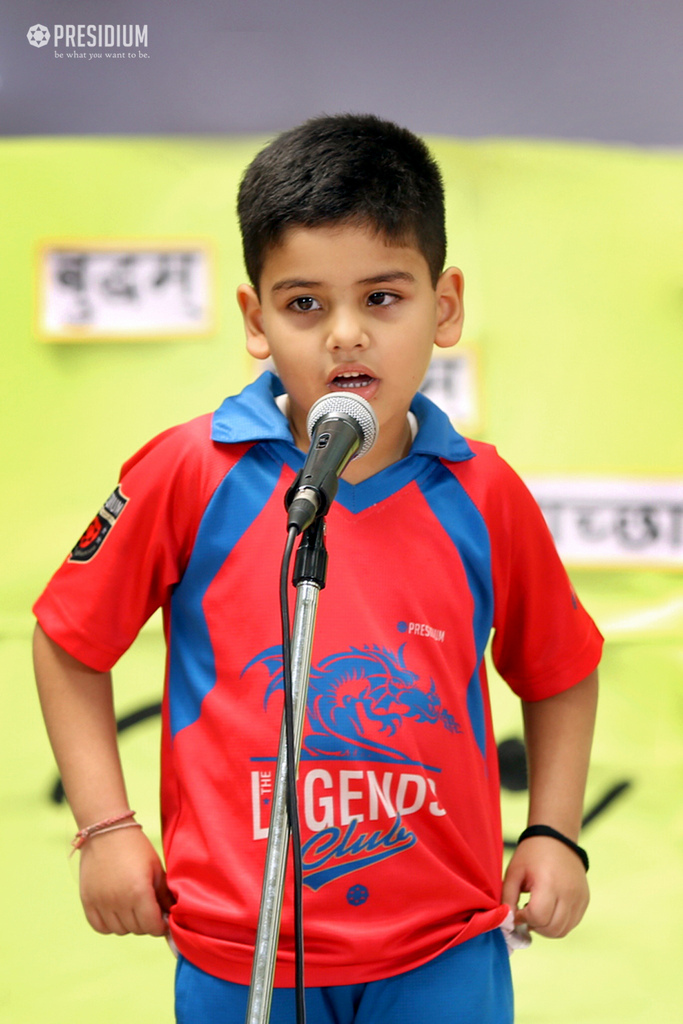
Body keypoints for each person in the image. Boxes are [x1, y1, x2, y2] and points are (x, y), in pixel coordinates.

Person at [33, 114, 602, 1024]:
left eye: (382, 298)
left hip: (441, 948)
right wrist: (105, 828)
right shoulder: (189, 473)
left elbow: (561, 668)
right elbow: (68, 641)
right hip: (236, 949)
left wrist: (552, 829)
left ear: (444, 306)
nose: (345, 336)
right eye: (304, 304)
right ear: (255, 321)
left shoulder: (484, 495)